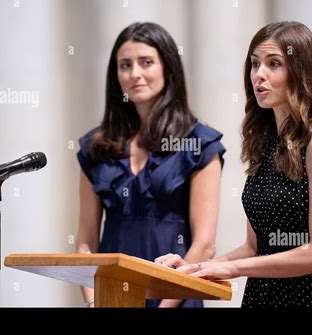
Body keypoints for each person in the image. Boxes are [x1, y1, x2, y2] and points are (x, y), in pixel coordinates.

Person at [156, 21, 312, 308]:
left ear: (301, 71)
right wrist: (197, 267)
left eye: (273, 64)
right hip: (265, 297)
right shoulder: (266, 145)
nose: (259, 75)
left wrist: (231, 269)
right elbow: (254, 247)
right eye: (255, 65)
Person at [75, 22, 226, 308]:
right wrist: (94, 302)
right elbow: (86, 238)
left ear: (167, 68)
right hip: (112, 297)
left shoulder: (200, 144)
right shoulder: (96, 148)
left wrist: (165, 306)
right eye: (125, 65)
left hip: (177, 296)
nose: (135, 74)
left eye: (146, 63)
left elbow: (204, 243)